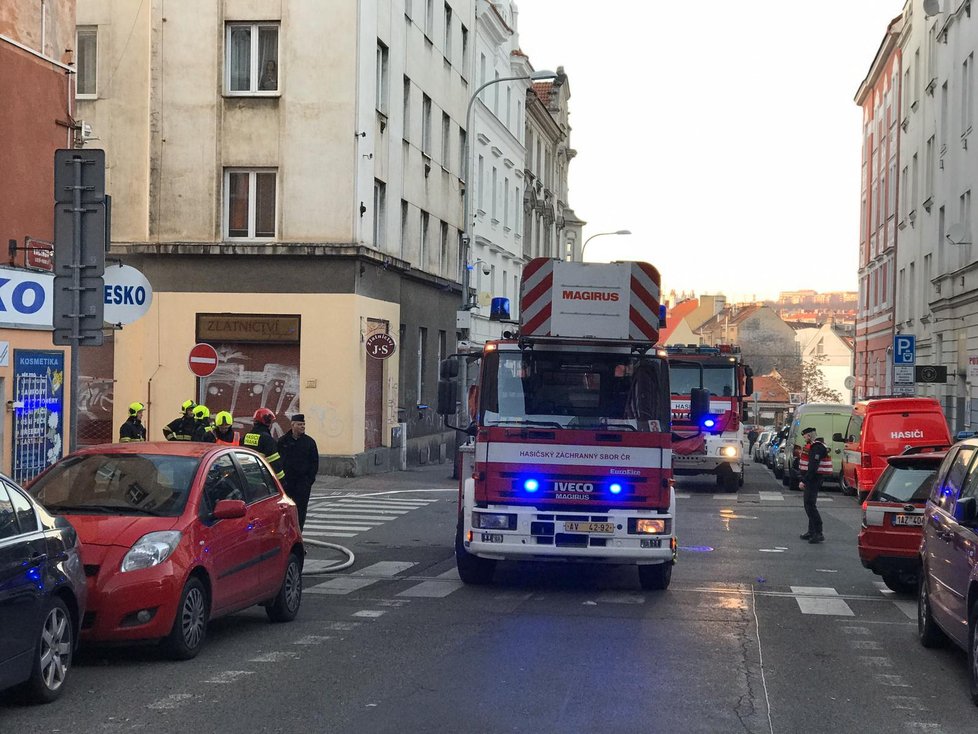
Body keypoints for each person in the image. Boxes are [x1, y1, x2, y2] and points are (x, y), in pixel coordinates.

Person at [277, 413, 319, 529]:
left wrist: (309, 480)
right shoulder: (283, 441)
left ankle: (298, 533)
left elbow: (314, 462)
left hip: (302, 483)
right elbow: (277, 460)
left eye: (303, 424)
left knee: (300, 510)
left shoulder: (309, 442)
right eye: (300, 424)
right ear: (292, 425)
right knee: (287, 509)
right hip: (287, 483)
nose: (302, 426)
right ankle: (287, 531)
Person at [799, 427, 829, 543]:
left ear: (810, 436)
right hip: (813, 479)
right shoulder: (815, 446)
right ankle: (811, 531)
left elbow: (813, 467)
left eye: (805, 436)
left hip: (813, 479)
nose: (804, 438)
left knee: (810, 505)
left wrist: (804, 480)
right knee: (809, 505)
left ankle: (818, 532)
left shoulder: (816, 447)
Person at [241, 407, 285, 481]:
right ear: (267, 422)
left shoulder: (246, 436)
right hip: (261, 480)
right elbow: (275, 464)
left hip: (245, 479)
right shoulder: (268, 440)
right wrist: (282, 482)